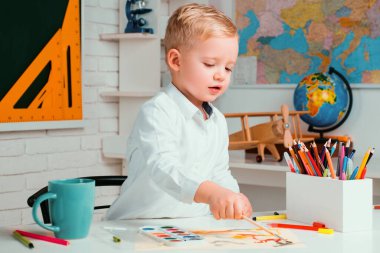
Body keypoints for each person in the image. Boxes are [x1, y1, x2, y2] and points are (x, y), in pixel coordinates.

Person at [106, 3, 252, 220]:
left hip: (192, 226)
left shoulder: (217, 121)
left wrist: (233, 197)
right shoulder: (158, 111)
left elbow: (219, 172)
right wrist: (212, 193)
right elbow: (164, 169)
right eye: (210, 64)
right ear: (176, 61)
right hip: (138, 226)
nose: (221, 75)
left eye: (228, 67)